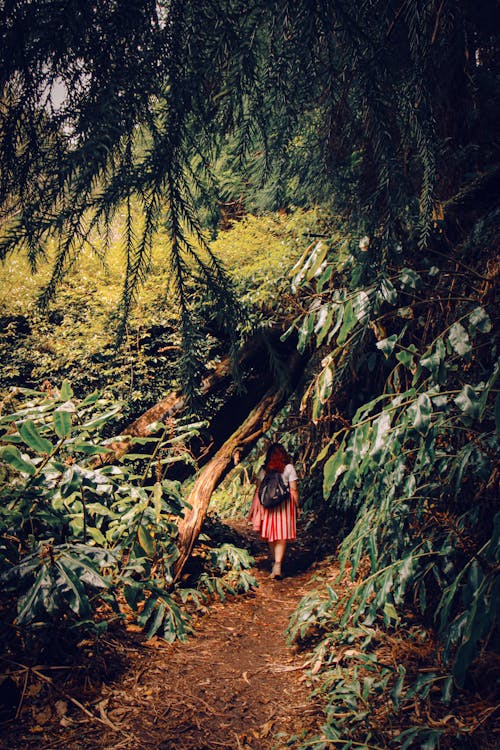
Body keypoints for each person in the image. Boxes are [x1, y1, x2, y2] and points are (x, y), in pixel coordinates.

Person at [248, 442, 300, 580]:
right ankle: (278, 564)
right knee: (281, 535)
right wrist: (297, 506)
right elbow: (293, 489)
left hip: (268, 505)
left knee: (271, 534)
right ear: (283, 454)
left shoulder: (264, 469)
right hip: (284, 505)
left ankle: (275, 562)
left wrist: (255, 508)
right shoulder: (289, 468)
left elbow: (259, 490)